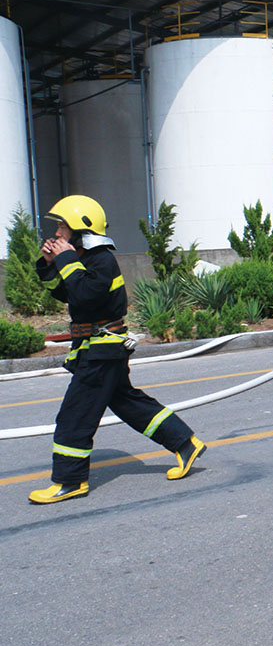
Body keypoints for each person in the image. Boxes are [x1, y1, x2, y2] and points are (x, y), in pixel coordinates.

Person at [29, 195, 206, 504]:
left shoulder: (101, 260)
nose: (57, 234)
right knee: (128, 403)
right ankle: (185, 443)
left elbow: (85, 296)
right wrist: (48, 266)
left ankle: (69, 481)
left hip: (103, 350)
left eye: (62, 227)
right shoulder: (82, 259)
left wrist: (65, 260)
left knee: (75, 416)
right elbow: (65, 294)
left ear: (81, 230)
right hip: (96, 349)